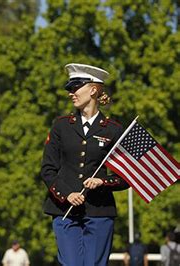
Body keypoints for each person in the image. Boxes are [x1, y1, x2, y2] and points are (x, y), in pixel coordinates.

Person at [41, 63, 130, 266]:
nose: (71, 93)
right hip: (64, 209)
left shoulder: (114, 130)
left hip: (100, 211)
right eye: (70, 89)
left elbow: (126, 177)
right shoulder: (61, 126)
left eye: (75, 87)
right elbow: (48, 169)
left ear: (93, 90)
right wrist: (67, 194)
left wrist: (102, 181)